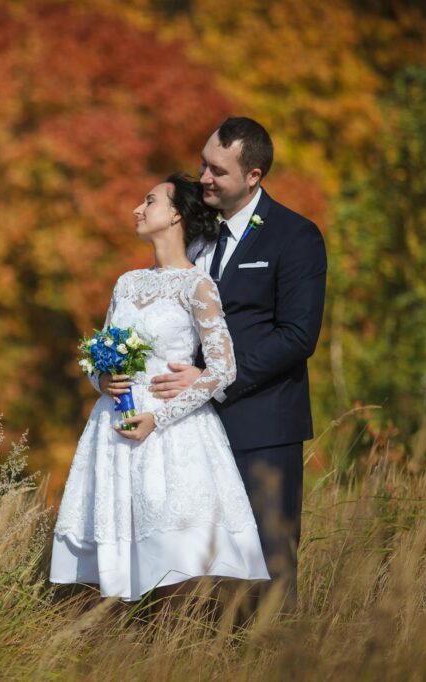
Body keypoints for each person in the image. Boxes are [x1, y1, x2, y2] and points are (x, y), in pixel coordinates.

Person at [49, 174, 269, 602]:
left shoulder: (198, 285)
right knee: (113, 560)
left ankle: (180, 646)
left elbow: (223, 368)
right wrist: (102, 379)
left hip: (172, 429)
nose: (137, 209)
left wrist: (159, 417)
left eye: (148, 201)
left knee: (176, 559)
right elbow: (101, 359)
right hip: (115, 427)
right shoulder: (126, 283)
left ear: (175, 215)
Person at [150, 117, 327, 610]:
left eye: (218, 171)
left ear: (254, 176)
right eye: (203, 164)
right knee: (194, 567)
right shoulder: (194, 233)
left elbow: (297, 336)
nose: (204, 177)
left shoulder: (295, 237)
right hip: (189, 429)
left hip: (262, 428)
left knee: (267, 568)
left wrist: (211, 381)